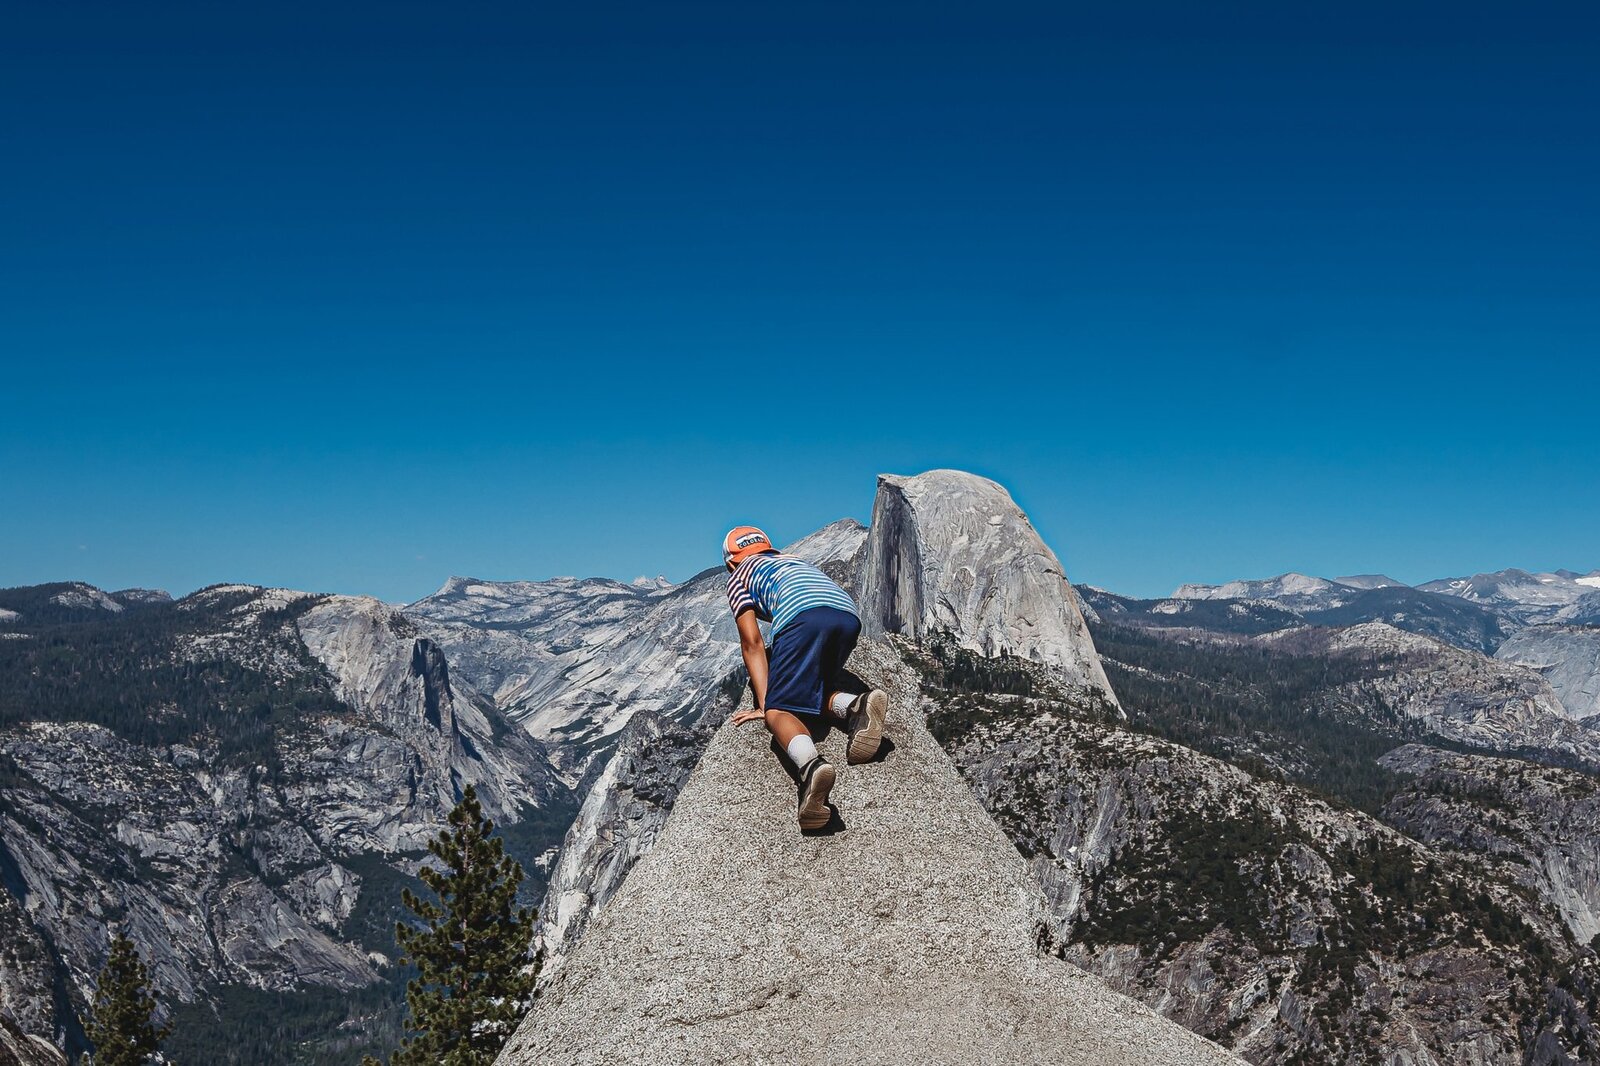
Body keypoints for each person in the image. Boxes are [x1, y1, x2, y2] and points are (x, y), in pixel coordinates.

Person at [722, 525, 889, 830]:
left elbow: (752, 643)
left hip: (802, 618)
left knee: (780, 708)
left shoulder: (738, 576)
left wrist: (764, 702)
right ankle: (855, 707)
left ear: (731, 562)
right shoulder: (792, 560)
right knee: (807, 690)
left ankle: (811, 767)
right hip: (847, 615)